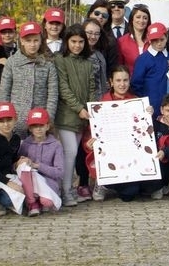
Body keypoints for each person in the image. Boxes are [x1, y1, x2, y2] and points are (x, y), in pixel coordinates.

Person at [53, 25, 95, 206]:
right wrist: (78, 108)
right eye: (73, 42)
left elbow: (92, 87)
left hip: (83, 117)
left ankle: (67, 188)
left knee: (73, 152)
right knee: (70, 152)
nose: (77, 45)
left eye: (80, 42)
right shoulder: (60, 59)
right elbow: (63, 88)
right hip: (65, 115)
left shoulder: (88, 63)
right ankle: (66, 190)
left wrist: (92, 107)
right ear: (66, 42)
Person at [0, 22, 58, 136]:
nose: (32, 44)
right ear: (21, 41)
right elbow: (4, 92)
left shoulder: (48, 64)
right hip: (16, 121)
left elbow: (53, 94)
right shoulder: (12, 62)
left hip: (39, 122)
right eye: (28, 41)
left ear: (41, 41)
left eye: (36, 40)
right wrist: (6, 118)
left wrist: (48, 118)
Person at [17, 106, 65, 215]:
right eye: (35, 126)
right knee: (24, 167)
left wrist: (37, 165)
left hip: (49, 182)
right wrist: (21, 162)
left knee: (47, 202)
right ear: (30, 128)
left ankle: (41, 200)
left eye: (41, 125)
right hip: (30, 183)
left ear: (47, 126)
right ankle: (32, 203)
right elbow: (18, 166)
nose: (38, 129)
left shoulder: (56, 145)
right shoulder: (25, 144)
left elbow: (59, 172)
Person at [131, 22, 169, 115]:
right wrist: (143, 104)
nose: (159, 43)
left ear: (166, 38)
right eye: (155, 40)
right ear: (149, 40)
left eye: (162, 39)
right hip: (150, 107)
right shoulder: (143, 59)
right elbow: (136, 84)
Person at [85, 0, 122, 78]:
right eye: (97, 13)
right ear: (90, 14)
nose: (100, 17)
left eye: (104, 15)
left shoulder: (110, 42)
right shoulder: (78, 33)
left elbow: (112, 68)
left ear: (108, 19)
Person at [117, 3, 152, 74]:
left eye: (145, 18)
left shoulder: (153, 40)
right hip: (130, 82)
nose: (141, 21)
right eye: (138, 17)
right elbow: (119, 66)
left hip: (150, 83)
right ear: (132, 19)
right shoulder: (122, 41)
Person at [82, 19, 110, 101]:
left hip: (98, 102)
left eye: (97, 34)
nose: (93, 37)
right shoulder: (76, 54)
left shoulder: (99, 55)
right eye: (89, 33)